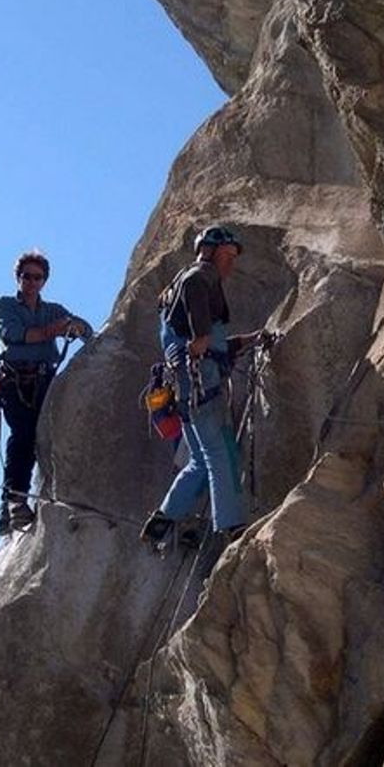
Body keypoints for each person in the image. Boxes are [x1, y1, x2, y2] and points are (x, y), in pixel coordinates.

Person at [140, 225, 260, 546]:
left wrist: (249, 340)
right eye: (227, 255)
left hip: (184, 387)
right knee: (222, 451)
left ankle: (164, 518)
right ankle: (232, 525)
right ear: (208, 251)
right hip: (201, 382)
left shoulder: (172, 293)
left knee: (199, 459)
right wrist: (202, 334)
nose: (230, 263)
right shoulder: (200, 275)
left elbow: (207, 345)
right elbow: (203, 340)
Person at [0, 250, 90, 535]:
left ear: (44, 280)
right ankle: (14, 500)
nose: (32, 282)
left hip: (44, 379)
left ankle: (10, 504)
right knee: (23, 435)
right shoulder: (5, 305)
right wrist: (54, 330)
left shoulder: (53, 310)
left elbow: (85, 330)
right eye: (27, 276)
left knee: (41, 436)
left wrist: (73, 327)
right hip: (15, 381)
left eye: (37, 277)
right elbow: (15, 334)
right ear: (18, 278)